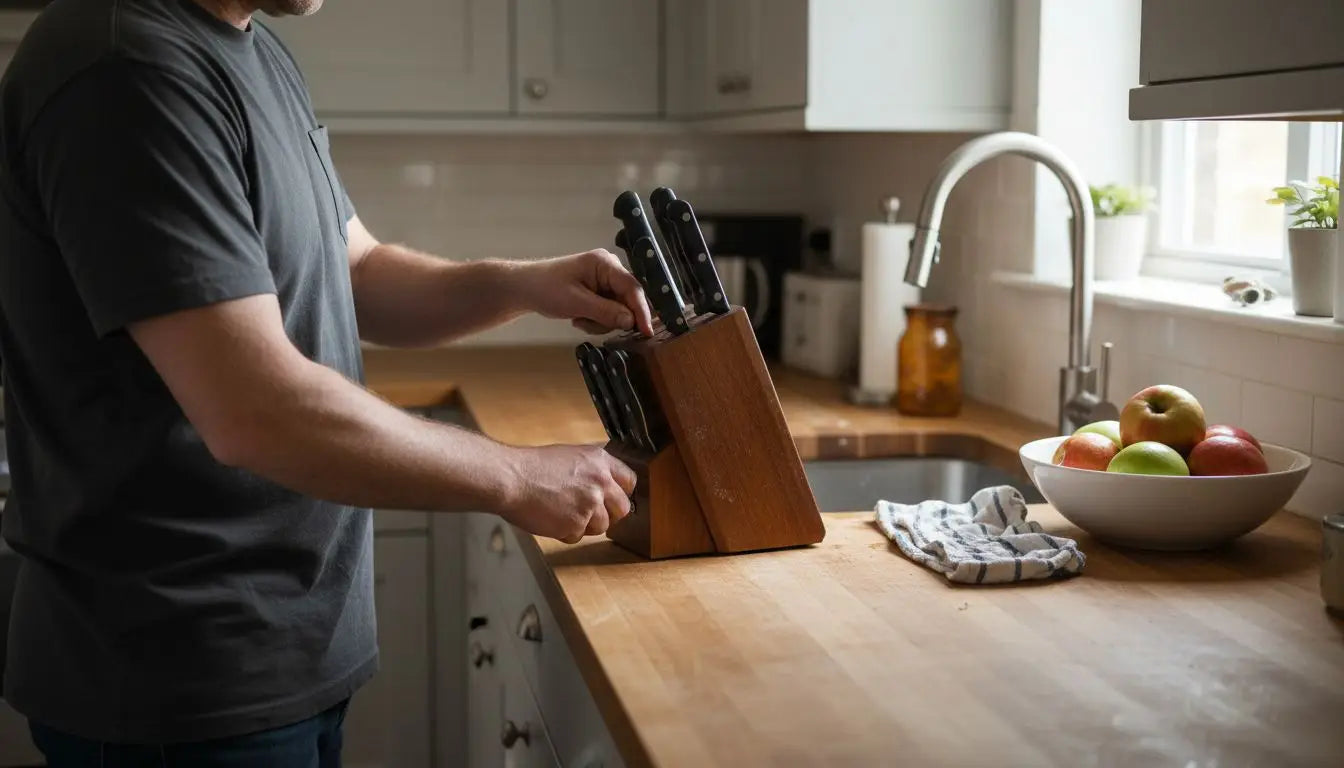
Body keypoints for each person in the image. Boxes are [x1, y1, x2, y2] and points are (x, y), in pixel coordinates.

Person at [0, 0, 651, 764]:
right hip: (177, 681)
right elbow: (255, 408)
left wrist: (525, 285)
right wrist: (514, 474)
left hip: (273, 652)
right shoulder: (123, 65)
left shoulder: (253, 51)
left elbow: (357, 269)